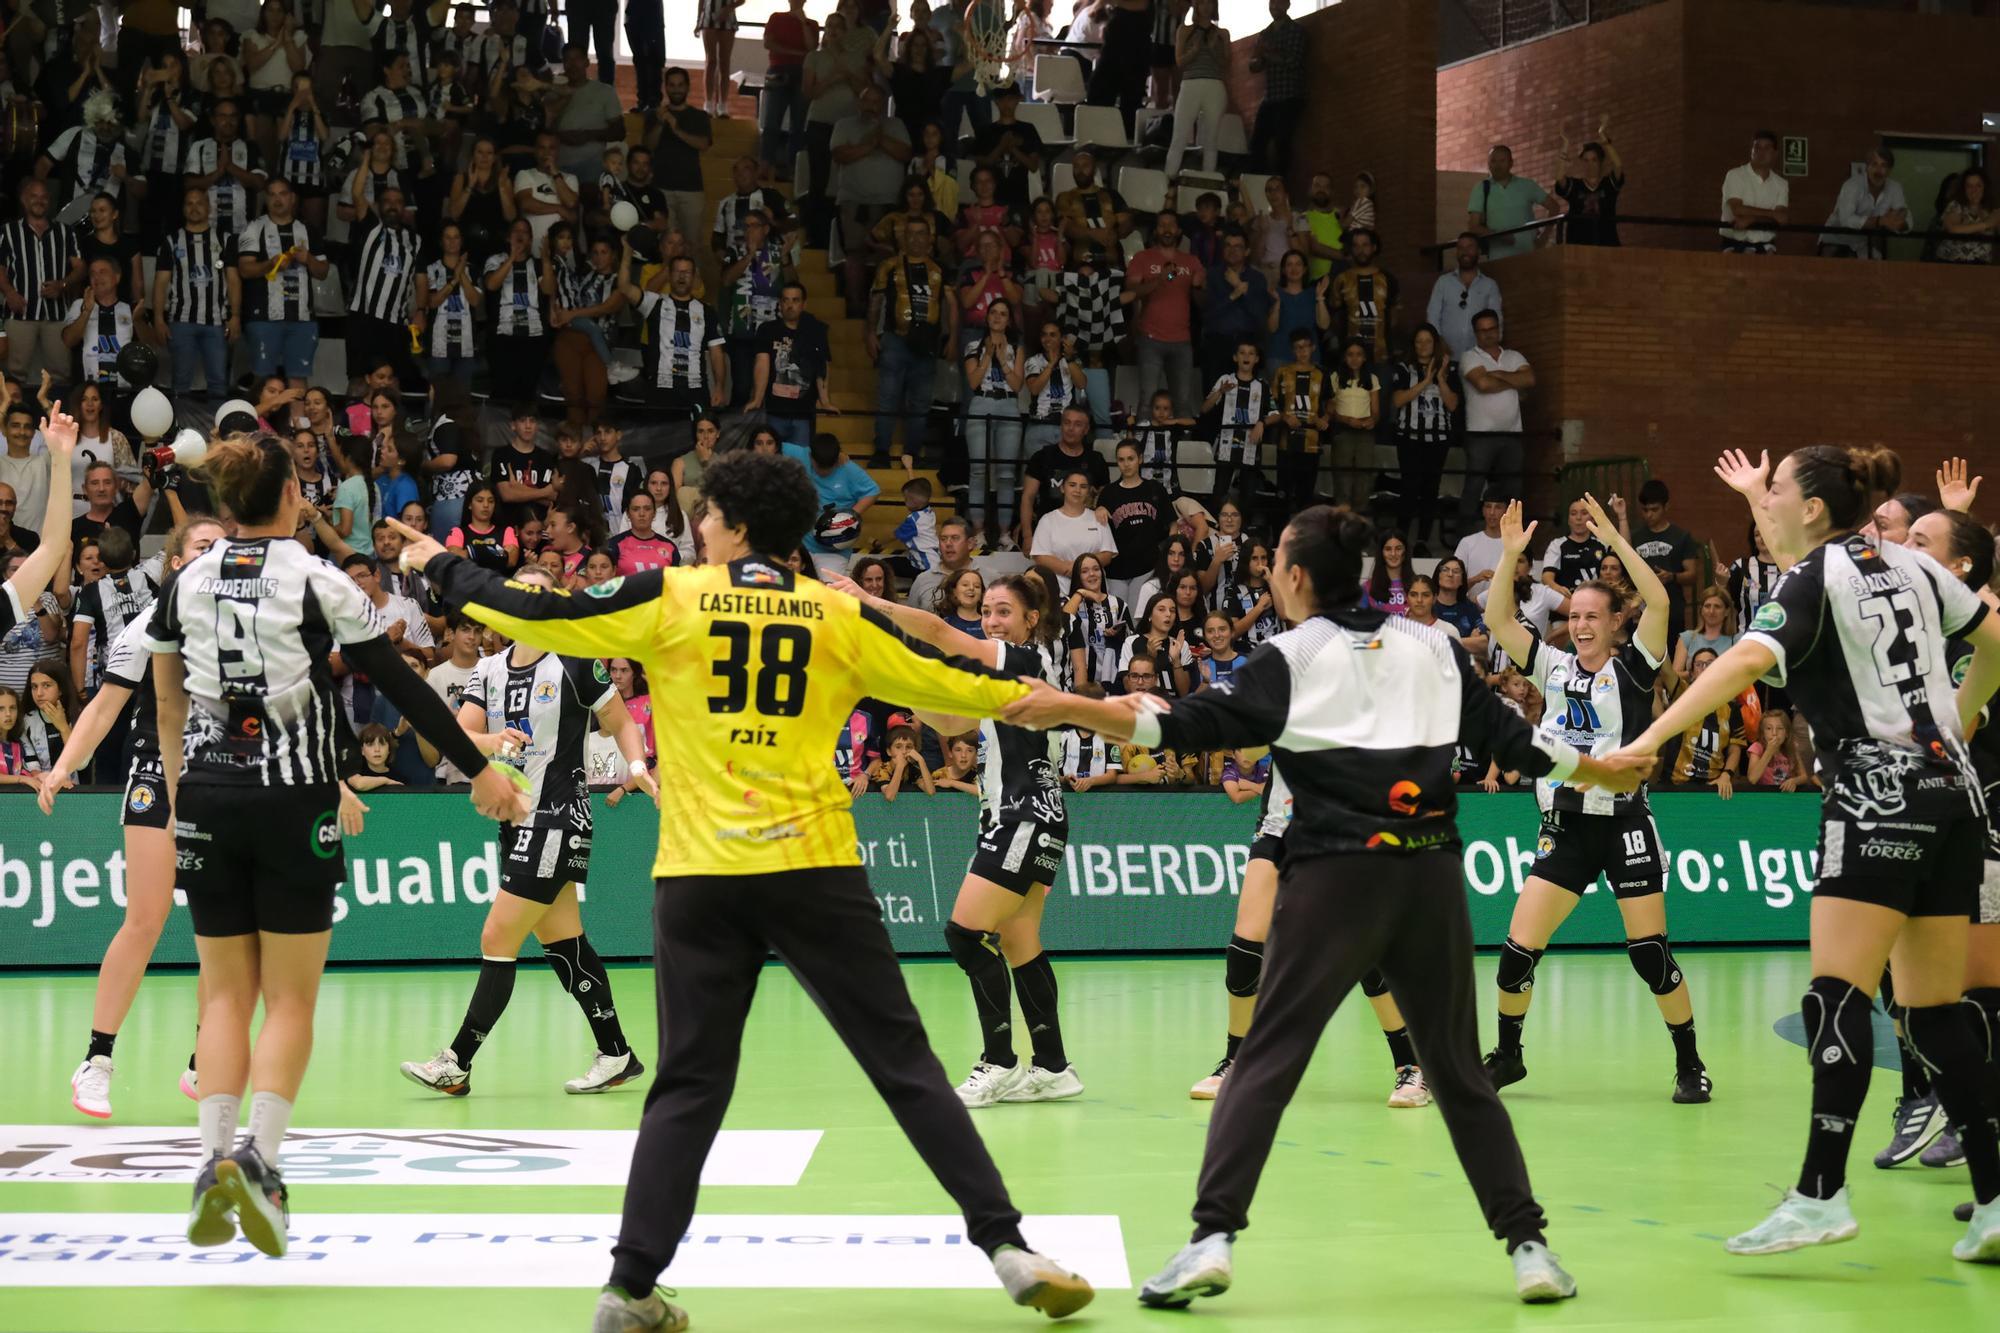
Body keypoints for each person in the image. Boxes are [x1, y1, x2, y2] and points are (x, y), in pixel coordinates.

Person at [386, 450, 1097, 1328]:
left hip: (701, 877)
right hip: (815, 868)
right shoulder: (831, 610)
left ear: (733, 523)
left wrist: (435, 561)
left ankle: (630, 1287)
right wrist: (1095, 710)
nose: (697, 525)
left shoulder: (675, 596)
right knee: (906, 1065)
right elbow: (967, 694)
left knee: (687, 1084)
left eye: (706, 513)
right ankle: (1009, 1248)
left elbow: (540, 611)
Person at [1003, 504, 1640, 1308]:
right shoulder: (1435, 643)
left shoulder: (1290, 655)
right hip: (1432, 877)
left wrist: (1073, 707)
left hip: (1335, 878)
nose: (1271, 574)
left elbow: (1183, 723)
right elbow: (1518, 741)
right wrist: (1600, 769)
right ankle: (1530, 1249)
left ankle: (1210, 1238)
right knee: (1457, 1072)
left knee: (1265, 1060)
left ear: (1298, 578)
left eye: (1276, 565)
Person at [1607, 445, 2000, 1261]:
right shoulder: (1912, 566)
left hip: (1874, 797)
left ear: (1814, 506)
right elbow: (1995, 635)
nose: (1766, 499)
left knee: (1836, 995)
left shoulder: (1815, 577)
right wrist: (1958, 714)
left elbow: (1750, 656)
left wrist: (1645, 740)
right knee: (1931, 1011)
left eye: (1776, 487)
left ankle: (1820, 1194)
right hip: (1954, 797)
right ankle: (1996, 1198)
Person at [147, 434, 517, 1259]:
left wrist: (180, 803)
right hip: (293, 802)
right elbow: (402, 686)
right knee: (290, 1000)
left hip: (206, 796)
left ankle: (212, 1162)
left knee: (221, 998)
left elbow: (167, 706)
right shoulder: (317, 581)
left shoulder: (185, 581)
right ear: (289, 500)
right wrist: (480, 769)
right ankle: (262, 1164)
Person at [1481, 496, 1708, 1100]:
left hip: (1624, 822)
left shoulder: (1634, 667)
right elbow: (1499, 622)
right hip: (1566, 826)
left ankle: (1689, 1064)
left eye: (1592, 616)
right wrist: (1508, 557)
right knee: (1514, 955)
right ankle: (1508, 1056)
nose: (1580, 624)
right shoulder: (1551, 666)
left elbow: (1658, 600)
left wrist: (1613, 537)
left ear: (1613, 623)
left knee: (1650, 956)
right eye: (1574, 615)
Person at [401, 564, 655, 1097]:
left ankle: (457, 1061)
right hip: (515, 822)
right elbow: (462, 735)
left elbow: (623, 723)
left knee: (498, 935)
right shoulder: (488, 669)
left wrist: (636, 768)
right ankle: (617, 1053)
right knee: (563, 940)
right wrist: (493, 744)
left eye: (543, 596)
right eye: (523, 595)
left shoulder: (576, 660)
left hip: (558, 818)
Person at [837, 568, 1085, 1107]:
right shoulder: (1003, 682)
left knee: (965, 934)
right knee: (1020, 944)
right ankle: (1053, 1067)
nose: (992, 621)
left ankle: (999, 1062)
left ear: (1030, 620)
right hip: (1024, 818)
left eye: (1003, 612)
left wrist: (869, 600)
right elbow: (950, 724)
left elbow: (943, 633)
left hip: (1024, 817)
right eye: (988, 611)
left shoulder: (1027, 660)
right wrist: (878, 686)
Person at [42, 515, 226, 1118]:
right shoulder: (151, 623)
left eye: (222, 547)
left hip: (219, 774)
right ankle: (96, 1059)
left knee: (220, 930)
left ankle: (207, 1061)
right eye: (202, 546)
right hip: (155, 768)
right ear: (175, 563)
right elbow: (103, 708)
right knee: (145, 919)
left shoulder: (244, 624)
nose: (214, 554)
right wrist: (65, 765)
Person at [1424, 233, 1500, 361]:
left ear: (1479, 251)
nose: (1465, 251)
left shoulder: (1490, 285)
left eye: (1470, 247)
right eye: (1460, 248)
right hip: (1446, 357)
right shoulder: (1443, 282)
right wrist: (1438, 343)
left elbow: (1497, 319)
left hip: (1479, 358)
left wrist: (1491, 351)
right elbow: (1432, 315)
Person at [1467, 145, 1547, 259]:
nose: (1497, 165)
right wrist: (1499, 236)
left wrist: (1544, 238)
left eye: (1502, 161)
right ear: (1488, 164)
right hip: (1497, 258)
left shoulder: (1527, 185)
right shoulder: (1481, 188)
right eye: (1493, 161)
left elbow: (1554, 207)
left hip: (1529, 254)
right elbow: (1473, 226)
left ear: (1511, 163)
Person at [1552, 124, 1625, 247]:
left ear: (1600, 161)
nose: (1590, 164)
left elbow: (1618, 165)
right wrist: (1565, 144)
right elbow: (1559, 178)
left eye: (1594, 160)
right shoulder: (1575, 185)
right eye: (1586, 160)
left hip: (1607, 243)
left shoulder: (1608, 184)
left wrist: (1603, 136)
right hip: (1578, 244)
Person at [1719, 129, 1790, 254]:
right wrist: (1771, 215)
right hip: (1735, 246)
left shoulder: (1781, 184)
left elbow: (1782, 218)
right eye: (1757, 147)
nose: (1761, 152)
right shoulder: (1735, 175)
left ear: (1775, 153)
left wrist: (1752, 218)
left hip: (1766, 248)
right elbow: (1738, 209)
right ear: (1751, 150)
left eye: (1767, 148)